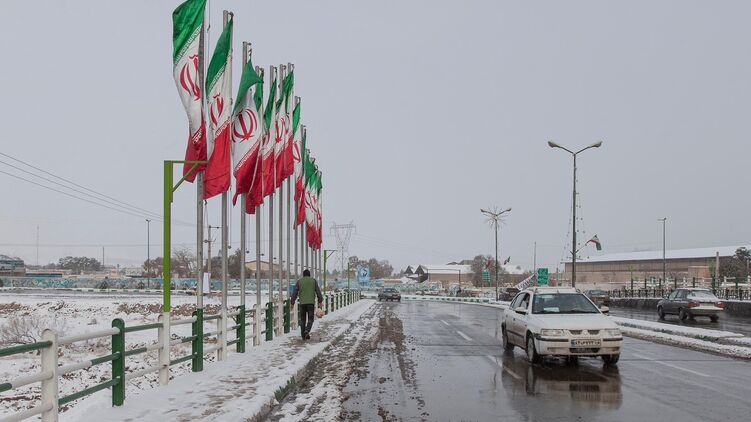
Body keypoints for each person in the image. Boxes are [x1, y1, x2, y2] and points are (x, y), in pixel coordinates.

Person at [291, 269, 324, 340]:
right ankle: (307, 330)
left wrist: (292, 302)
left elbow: (295, 293)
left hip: (302, 303)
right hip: (310, 303)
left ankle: (303, 336)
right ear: (309, 275)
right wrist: (320, 301)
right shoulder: (313, 281)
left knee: (302, 320)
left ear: (303, 275)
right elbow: (318, 291)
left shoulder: (299, 281)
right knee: (310, 318)